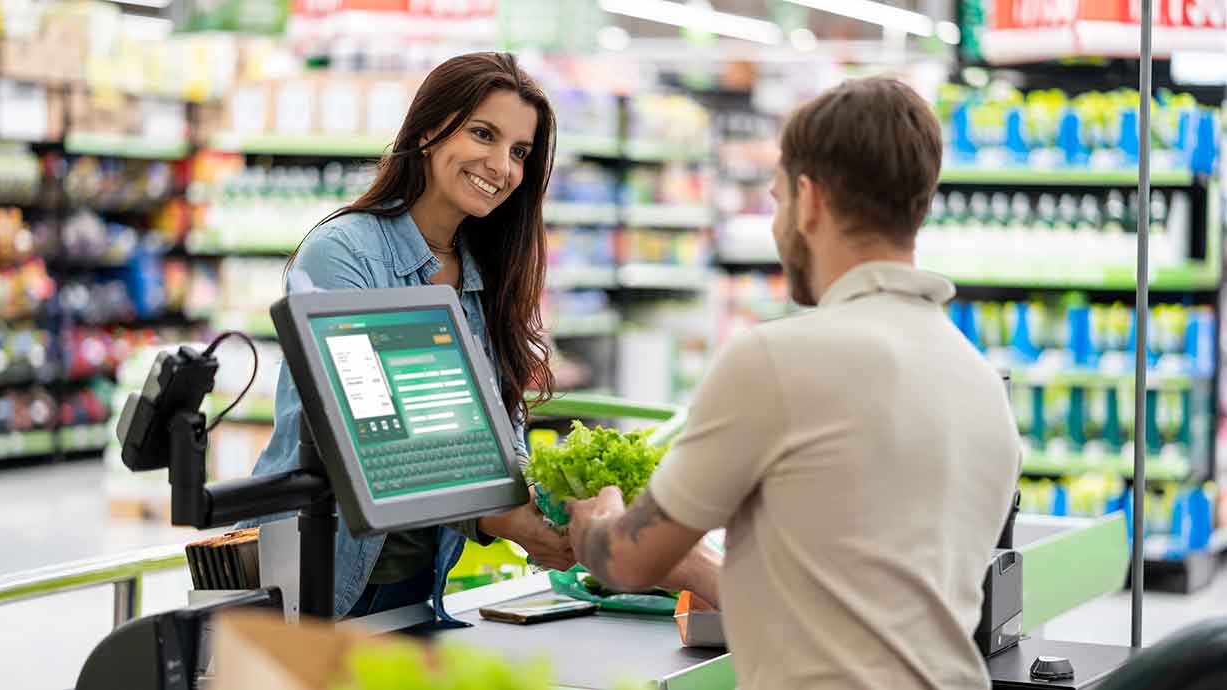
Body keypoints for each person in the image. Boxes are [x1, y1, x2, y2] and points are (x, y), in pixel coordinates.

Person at [565, 77, 1022, 690]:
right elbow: (853, 603)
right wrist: (701, 567)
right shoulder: (979, 382)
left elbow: (626, 558)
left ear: (809, 201)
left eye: (777, 200)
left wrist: (593, 521)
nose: (779, 224)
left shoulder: (777, 360)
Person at [245, 52, 574, 622]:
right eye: (483, 134)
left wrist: (549, 504)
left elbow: (501, 428)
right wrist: (500, 517)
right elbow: (372, 437)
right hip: (315, 577)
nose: (501, 165)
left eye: (519, 152)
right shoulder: (343, 253)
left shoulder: (485, 271)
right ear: (428, 129)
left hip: (417, 587)